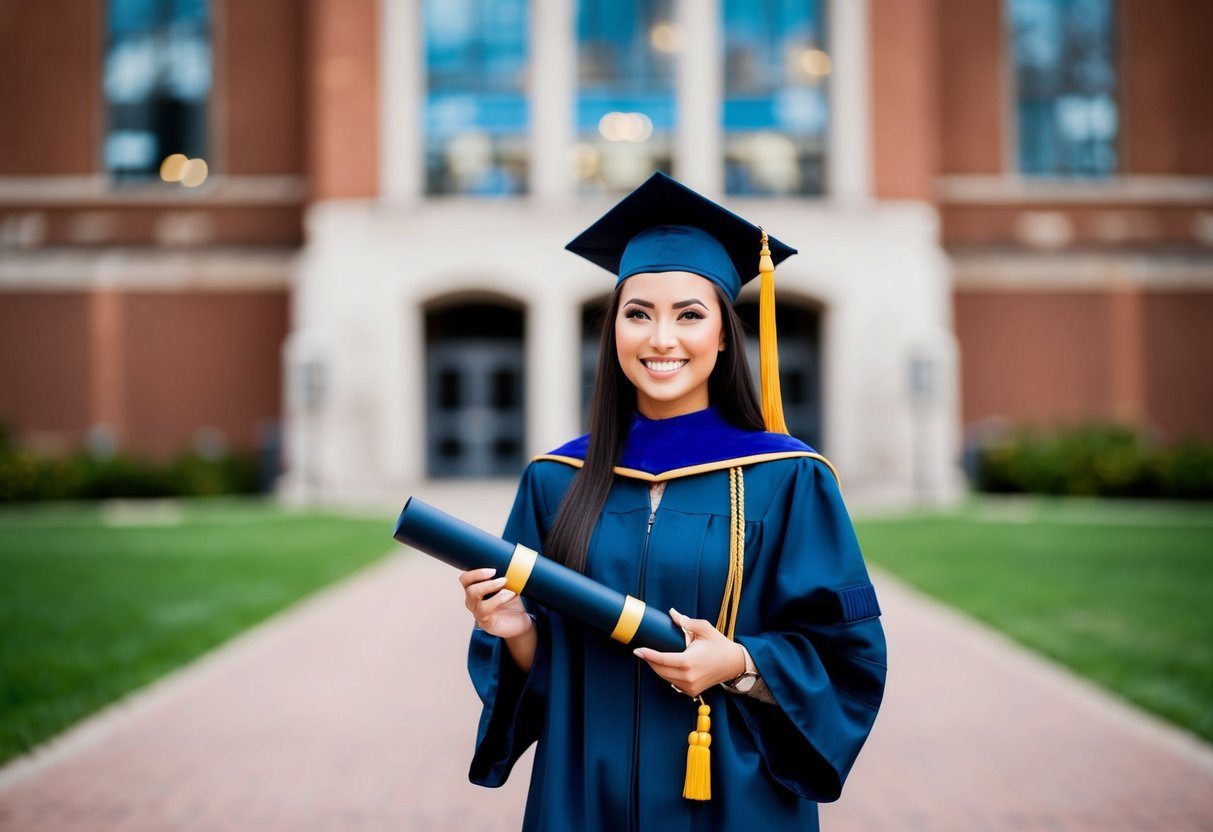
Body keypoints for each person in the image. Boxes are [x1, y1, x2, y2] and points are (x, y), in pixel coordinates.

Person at [459, 172, 887, 831]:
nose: (661, 338)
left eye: (689, 314)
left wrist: (740, 663)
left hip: (733, 792)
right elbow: (539, 683)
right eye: (638, 314)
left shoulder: (788, 477)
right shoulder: (555, 480)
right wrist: (516, 632)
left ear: (724, 335)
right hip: (584, 791)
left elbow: (845, 655)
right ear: (613, 331)